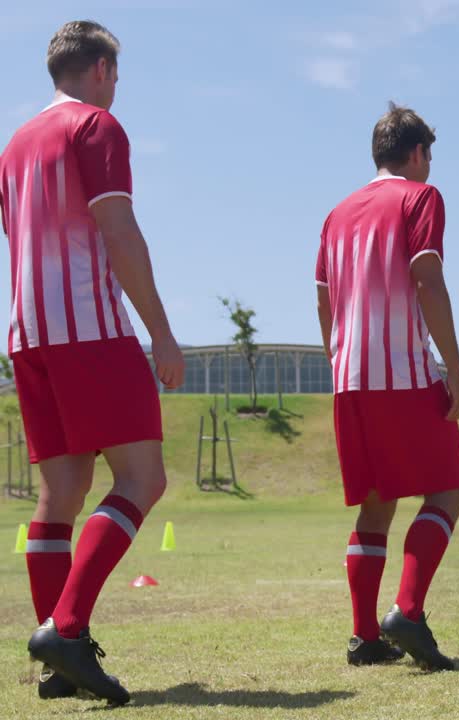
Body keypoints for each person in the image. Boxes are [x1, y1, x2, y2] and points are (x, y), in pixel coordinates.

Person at [2, 20, 185, 706]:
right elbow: (117, 229)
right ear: (103, 69)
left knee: (61, 494)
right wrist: (161, 333)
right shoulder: (97, 128)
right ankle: (68, 631)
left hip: (27, 334)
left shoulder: (14, 145)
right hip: (89, 330)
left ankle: (58, 664)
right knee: (143, 477)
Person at [316, 103, 459, 671]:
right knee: (447, 492)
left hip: (349, 377)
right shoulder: (420, 197)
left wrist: (340, 357)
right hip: (401, 372)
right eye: (430, 154)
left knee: (376, 505)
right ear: (418, 153)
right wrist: (453, 368)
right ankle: (406, 611)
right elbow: (427, 278)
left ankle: (363, 637)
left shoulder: (336, 213)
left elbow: (324, 298)